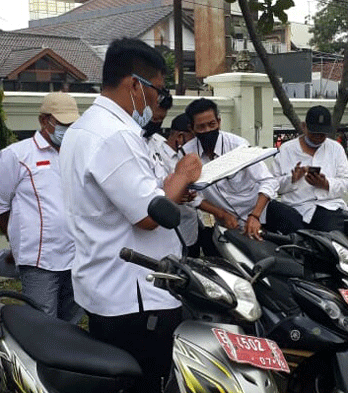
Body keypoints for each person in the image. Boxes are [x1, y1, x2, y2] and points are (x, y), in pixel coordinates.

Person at [60, 38, 202, 392]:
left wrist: (172, 188)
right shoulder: (114, 135)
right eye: (160, 92)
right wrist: (183, 174)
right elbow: (149, 216)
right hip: (136, 294)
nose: (159, 103)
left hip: (108, 285)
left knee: (119, 381)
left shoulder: (85, 128)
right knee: (145, 381)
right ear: (135, 85)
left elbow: (139, 197)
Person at [0, 92, 81, 322]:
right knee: (42, 324)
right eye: (63, 123)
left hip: (76, 256)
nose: (68, 129)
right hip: (39, 260)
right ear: (44, 121)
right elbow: (1, 204)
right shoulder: (17, 155)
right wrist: (15, 239)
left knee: (71, 324)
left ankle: (68, 359)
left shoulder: (75, 154)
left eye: (72, 124)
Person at [182, 98, 291, 239]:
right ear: (191, 128)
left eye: (212, 124)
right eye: (201, 127)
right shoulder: (187, 155)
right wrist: (221, 214)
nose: (207, 130)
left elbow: (269, 181)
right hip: (228, 225)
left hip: (262, 213)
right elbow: (192, 196)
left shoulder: (237, 145)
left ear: (219, 122)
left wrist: (255, 216)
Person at [271, 105, 348, 232]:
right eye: (314, 133)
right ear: (304, 127)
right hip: (296, 208)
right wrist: (292, 179)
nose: (318, 137)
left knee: (330, 236)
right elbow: (272, 185)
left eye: (322, 134)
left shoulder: (335, 149)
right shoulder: (287, 149)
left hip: (328, 207)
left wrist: (326, 184)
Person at [144, 112, 204, 257]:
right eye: (192, 140)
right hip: (172, 231)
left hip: (190, 228)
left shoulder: (185, 156)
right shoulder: (159, 157)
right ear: (180, 137)